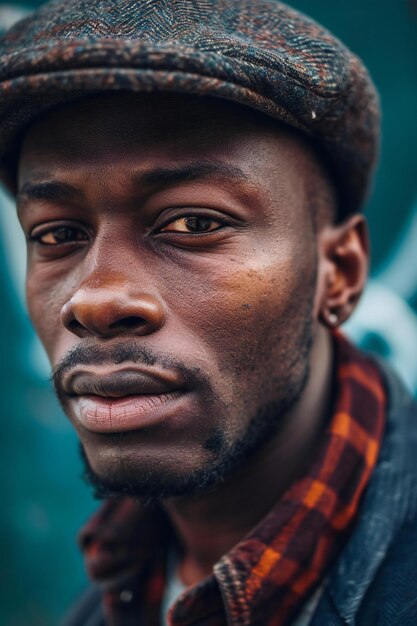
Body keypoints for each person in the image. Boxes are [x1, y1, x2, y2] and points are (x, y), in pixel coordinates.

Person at [0, 1, 416, 624]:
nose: (95, 300)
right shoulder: (119, 584)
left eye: (194, 223)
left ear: (341, 273)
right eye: (57, 235)